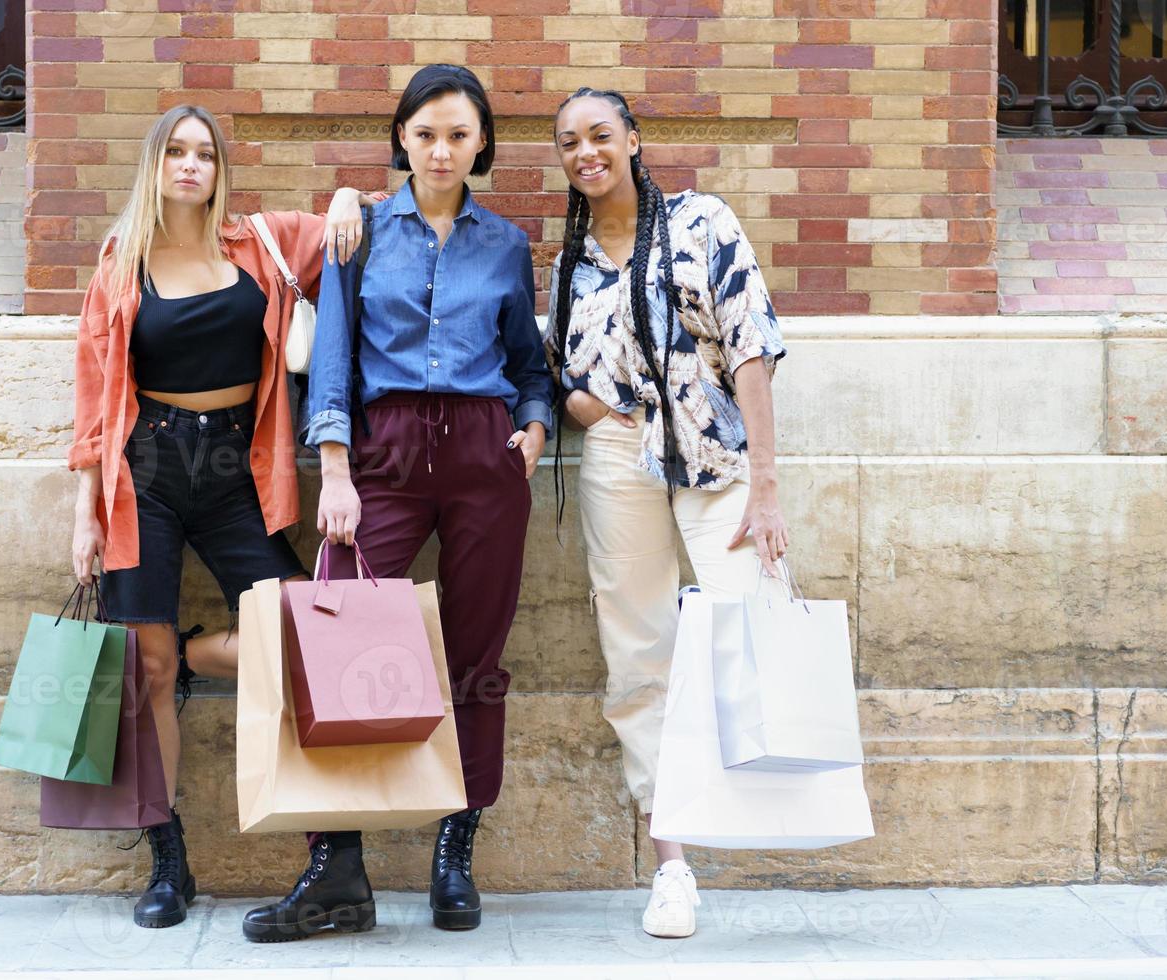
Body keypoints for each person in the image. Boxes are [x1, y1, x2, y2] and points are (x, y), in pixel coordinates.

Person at [240, 65, 555, 943]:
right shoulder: (362, 231)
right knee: (339, 648)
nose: (442, 150)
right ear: (402, 141)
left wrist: (531, 426)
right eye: (425, 134)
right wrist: (334, 469)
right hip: (380, 455)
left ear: (482, 141)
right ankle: (335, 868)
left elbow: (529, 362)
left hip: (484, 460)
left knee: (475, 658)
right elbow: (331, 353)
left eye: (458, 133)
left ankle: (456, 849)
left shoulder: (504, 244)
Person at [67, 104, 376, 929]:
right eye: (175, 150)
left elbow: (364, 225)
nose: (191, 165)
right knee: (146, 669)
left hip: (241, 463)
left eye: (205, 153)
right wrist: (86, 511)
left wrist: (346, 194)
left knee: (304, 634)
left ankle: (194, 661)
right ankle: (168, 862)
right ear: (154, 162)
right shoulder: (120, 263)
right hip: (149, 468)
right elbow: (97, 392)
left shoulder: (260, 241)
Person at [547, 88, 789, 939]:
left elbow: (752, 343)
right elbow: (560, 361)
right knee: (637, 654)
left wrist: (766, 486)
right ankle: (672, 864)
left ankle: (770, 809)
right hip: (618, 460)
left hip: (715, 452)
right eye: (570, 142)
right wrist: (583, 406)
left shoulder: (701, 221)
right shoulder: (571, 260)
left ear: (634, 140)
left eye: (601, 135)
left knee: (746, 620)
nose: (586, 153)